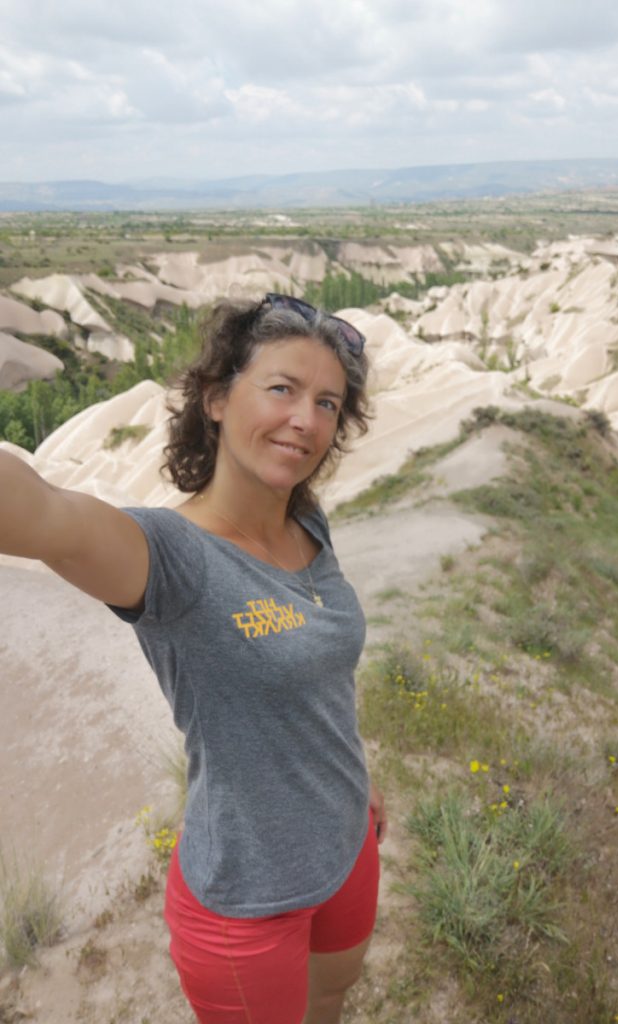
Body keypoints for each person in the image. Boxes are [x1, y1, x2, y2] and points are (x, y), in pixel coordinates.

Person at [0, 293, 387, 1024]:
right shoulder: (172, 560)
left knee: (332, 1000)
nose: (307, 419)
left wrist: (351, 776)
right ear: (214, 398)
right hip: (247, 899)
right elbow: (44, 514)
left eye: (328, 403)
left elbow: (323, 677)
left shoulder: (307, 521)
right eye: (282, 389)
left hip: (346, 845)